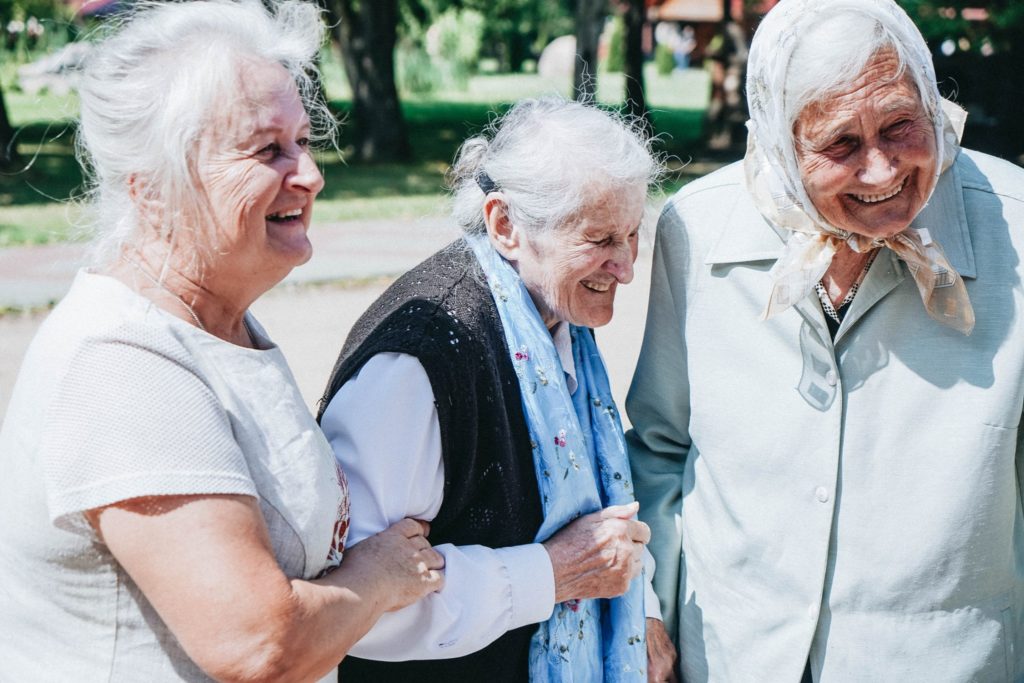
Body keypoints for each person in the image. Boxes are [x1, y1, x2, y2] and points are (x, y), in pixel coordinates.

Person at [0, 2, 443, 681]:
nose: (311, 174)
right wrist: (381, 574)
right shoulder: (122, 365)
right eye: (269, 149)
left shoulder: (220, 325)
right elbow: (259, 644)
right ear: (152, 191)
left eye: (303, 141)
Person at [627, 0, 1024, 680]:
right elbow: (660, 447)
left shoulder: (1016, 231)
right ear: (782, 143)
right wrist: (646, 606)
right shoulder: (697, 231)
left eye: (901, 125)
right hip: (733, 659)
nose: (882, 171)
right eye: (841, 144)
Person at [317, 97, 678, 682]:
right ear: (504, 225)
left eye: (634, 234)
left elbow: (602, 506)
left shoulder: (554, 314)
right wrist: (551, 575)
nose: (627, 267)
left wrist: (643, 612)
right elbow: (355, 604)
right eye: (601, 239)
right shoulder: (418, 366)